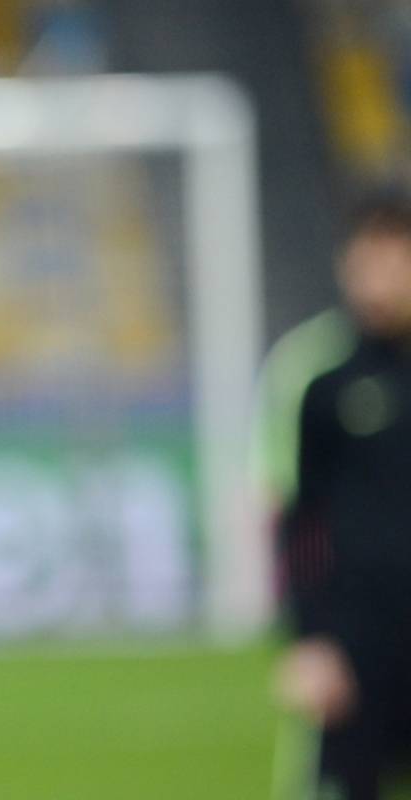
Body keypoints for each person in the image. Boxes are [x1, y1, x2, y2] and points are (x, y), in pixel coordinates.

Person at [276, 186, 411, 799]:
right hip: (357, 646)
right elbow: (304, 522)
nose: (377, 278)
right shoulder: (326, 387)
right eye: (366, 261)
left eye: (393, 259)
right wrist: (310, 639)